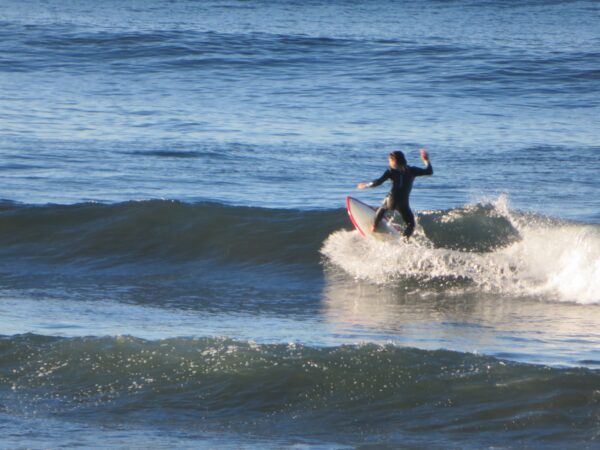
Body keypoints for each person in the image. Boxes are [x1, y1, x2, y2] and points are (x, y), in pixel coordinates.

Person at [357, 149, 433, 238]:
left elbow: (378, 182)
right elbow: (429, 171)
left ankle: (374, 226)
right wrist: (426, 160)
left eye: (389, 160)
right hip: (403, 203)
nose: (389, 162)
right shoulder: (412, 170)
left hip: (391, 200)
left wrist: (366, 185)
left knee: (383, 208)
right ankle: (404, 241)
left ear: (394, 161)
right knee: (411, 225)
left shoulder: (390, 171)